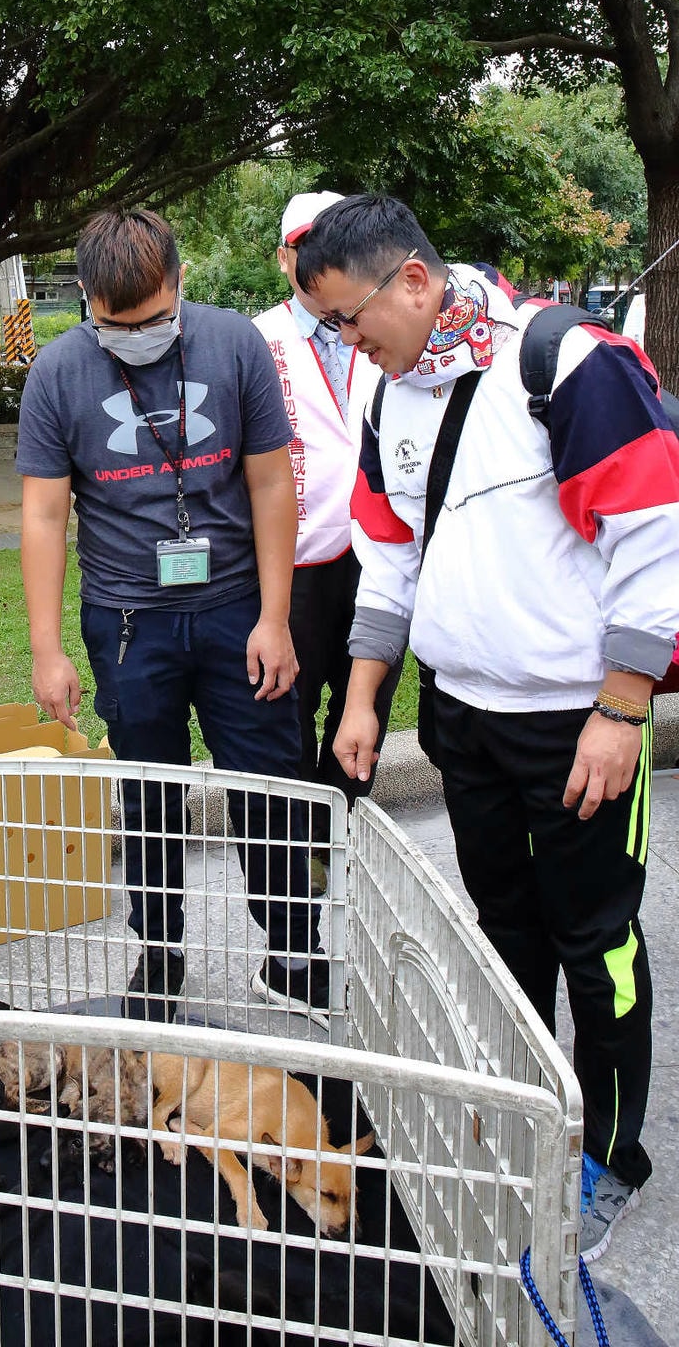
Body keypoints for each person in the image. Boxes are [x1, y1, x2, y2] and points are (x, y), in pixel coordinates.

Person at [296, 193, 679, 1260]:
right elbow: (388, 556)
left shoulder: (565, 363)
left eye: (349, 318)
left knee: (594, 938)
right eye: (329, 325)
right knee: (503, 926)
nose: (346, 342)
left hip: (576, 722)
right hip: (460, 716)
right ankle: (524, 1107)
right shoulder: (388, 391)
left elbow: (657, 542)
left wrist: (621, 710)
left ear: (412, 281)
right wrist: (366, 695)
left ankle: (611, 1153)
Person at [16, 206, 321, 1022]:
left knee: (270, 787)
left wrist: (277, 617)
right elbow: (45, 516)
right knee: (149, 795)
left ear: (180, 283)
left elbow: (268, 484)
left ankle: (291, 948)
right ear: (86, 298)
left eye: (154, 318)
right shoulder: (57, 373)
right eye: (117, 325)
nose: (138, 335)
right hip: (126, 623)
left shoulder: (233, 344)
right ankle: (159, 950)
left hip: (236, 613)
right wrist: (48, 651)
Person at [253, 191, 398, 803]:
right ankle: (297, 838)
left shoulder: (386, 328)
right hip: (298, 557)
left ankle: (342, 824)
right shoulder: (258, 339)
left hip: (379, 552)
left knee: (366, 698)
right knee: (290, 702)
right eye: (305, 248)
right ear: (284, 259)